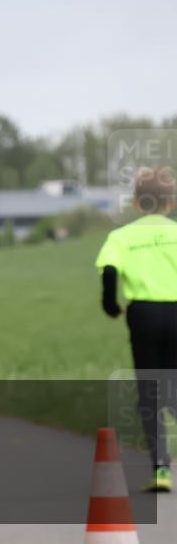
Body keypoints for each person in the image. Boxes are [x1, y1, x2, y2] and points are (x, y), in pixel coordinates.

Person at [96, 165, 177, 493]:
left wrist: (111, 306)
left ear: (135, 203)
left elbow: (110, 271)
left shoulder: (121, 237)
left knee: (150, 390)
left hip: (143, 315)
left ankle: (161, 469)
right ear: (171, 202)